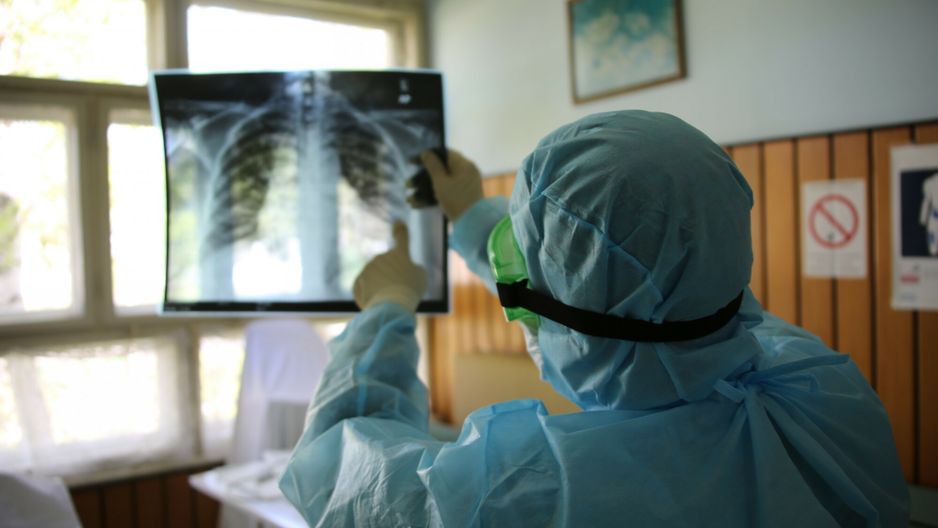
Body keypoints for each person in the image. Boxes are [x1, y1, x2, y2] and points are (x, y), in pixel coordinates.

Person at [279, 110, 909, 526]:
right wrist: (471, 215)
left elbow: (336, 472)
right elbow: (629, 283)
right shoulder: (825, 387)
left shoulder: (530, 498)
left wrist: (385, 309)